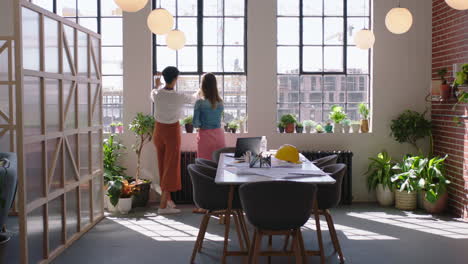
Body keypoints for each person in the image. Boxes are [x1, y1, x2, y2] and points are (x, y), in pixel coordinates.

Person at [151, 66, 194, 214]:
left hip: (158, 131)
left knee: (162, 164)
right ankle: (163, 205)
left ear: (164, 78)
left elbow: (155, 92)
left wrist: (157, 83)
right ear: (176, 79)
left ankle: (168, 200)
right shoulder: (179, 96)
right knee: (171, 166)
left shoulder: (156, 93)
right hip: (172, 132)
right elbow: (194, 99)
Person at [193, 73, 226, 160]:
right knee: (219, 166)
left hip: (205, 138)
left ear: (202, 85)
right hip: (219, 137)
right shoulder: (220, 102)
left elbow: (196, 124)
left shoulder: (199, 102)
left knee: (205, 168)